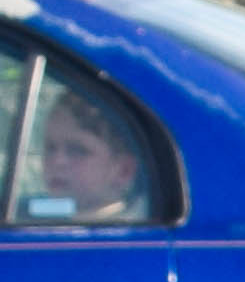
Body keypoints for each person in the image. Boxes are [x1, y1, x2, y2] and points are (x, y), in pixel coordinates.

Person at [15, 78, 154, 225]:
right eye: (50, 147)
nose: (57, 161)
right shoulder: (41, 218)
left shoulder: (126, 236)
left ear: (124, 170)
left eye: (78, 150)